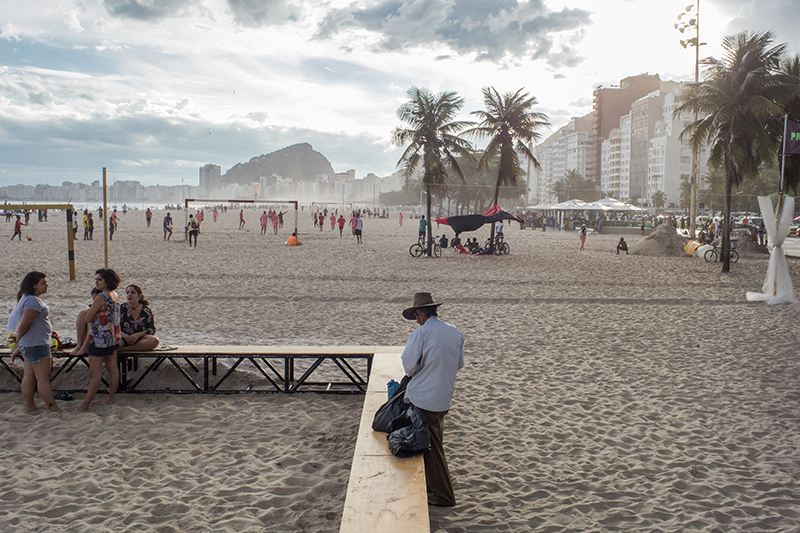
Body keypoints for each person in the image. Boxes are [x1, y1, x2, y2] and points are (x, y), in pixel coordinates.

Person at [400, 293, 464, 507]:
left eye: (416, 316)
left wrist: (424, 369)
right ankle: (433, 486)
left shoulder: (421, 333)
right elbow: (459, 364)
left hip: (425, 398)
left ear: (420, 314)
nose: (416, 320)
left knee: (432, 449)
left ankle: (443, 495)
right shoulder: (455, 332)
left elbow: (409, 366)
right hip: (444, 396)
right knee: (435, 441)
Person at [9, 272, 61, 413]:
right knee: (43, 378)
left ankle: (30, 407)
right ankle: (53, 408)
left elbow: (22, 323)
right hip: (36, 344)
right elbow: (25, 323)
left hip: (29, 343)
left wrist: (18, 338)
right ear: (34, 285)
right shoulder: (32, 301)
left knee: (29, 376)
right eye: (43, 283)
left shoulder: (26, 298)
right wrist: (18, 337)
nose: (46, 285)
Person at [77, 268, 121, 413]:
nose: (96, 282)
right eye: (96, 279)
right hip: (113, 336)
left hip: (100, 338)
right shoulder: (115, 295)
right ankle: (111, 398)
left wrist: (94, 314)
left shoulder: (101, 297)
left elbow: (88, 318)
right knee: (112, 368)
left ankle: (85, 405)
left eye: (99, 279)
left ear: (107, 281)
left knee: (94, 373)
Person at [119, 284, 159, 351]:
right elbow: (114, 327)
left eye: (133, 293)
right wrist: (125, 336)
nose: (129, 295)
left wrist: (138, 335)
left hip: (140, 339)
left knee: (154, 341)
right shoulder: (121, 308)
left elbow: (151, 329)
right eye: (127, 293)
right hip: (123, 338)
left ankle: (124, 350)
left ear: (139, 296)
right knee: (115, 343)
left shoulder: (146, 311)